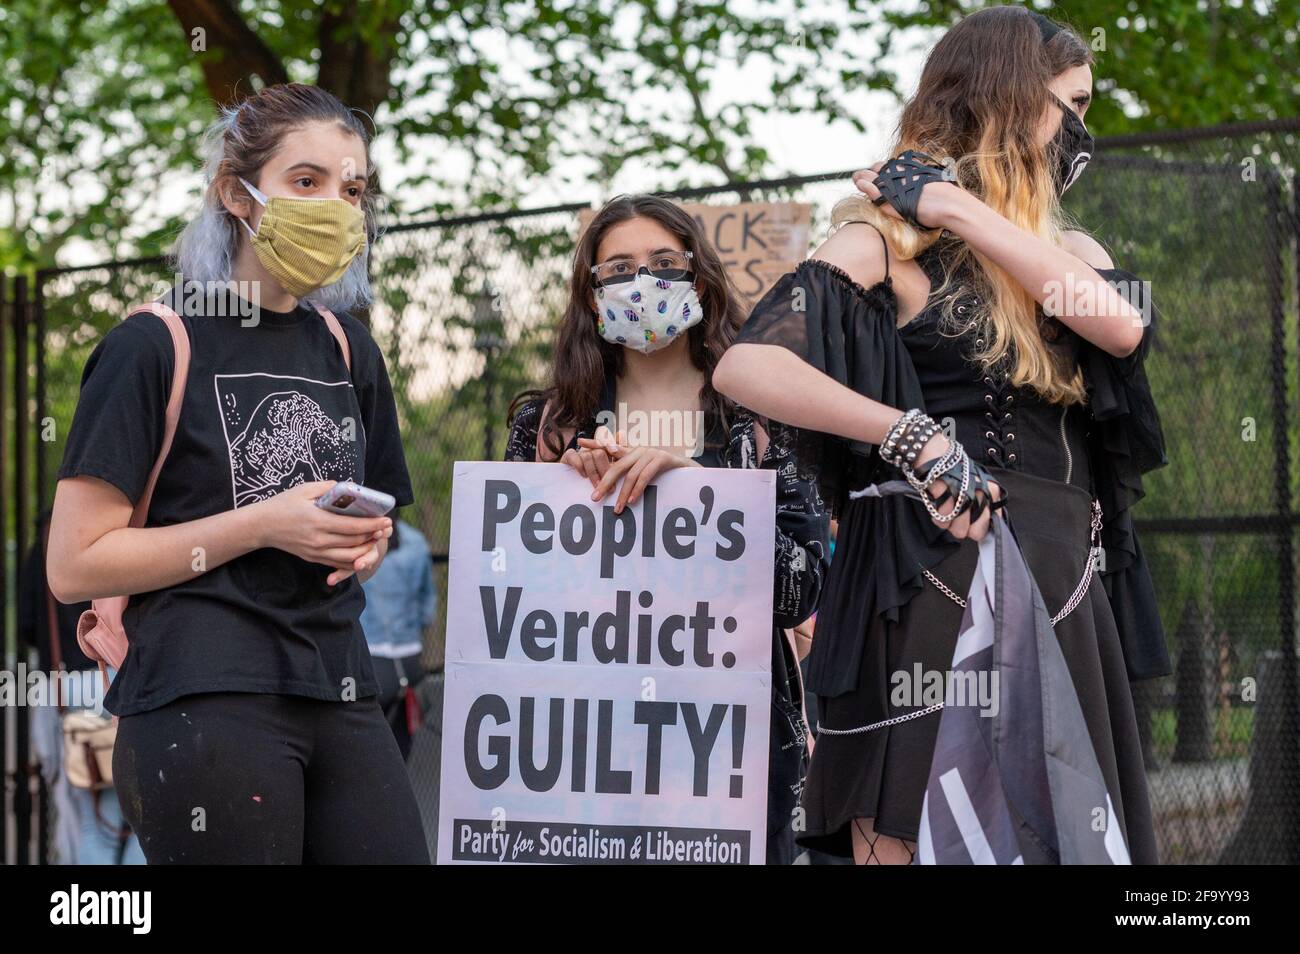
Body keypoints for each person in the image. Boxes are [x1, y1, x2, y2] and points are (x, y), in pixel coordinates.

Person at [713, 7, 1167, 864]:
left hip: (1064, 579)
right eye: (1072, 105)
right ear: (1011, 100)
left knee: (1065, 829)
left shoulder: (1072, 256)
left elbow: (1120, 330)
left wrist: (957, 205)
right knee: (910, 824)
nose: (1082, 131)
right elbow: (747, 369)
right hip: (928, 576)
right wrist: (908, 434)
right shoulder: (883, 248)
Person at [46, 83, 429, 864]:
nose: (336, 205)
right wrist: (262, 522)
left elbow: (369, 533)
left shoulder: (350, 350)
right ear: (237, 193)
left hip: (343, 689)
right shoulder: (153, 346)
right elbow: (73, 564)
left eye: (352, 189)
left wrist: (362, 540)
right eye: (307, 182)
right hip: (203, 696)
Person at [504, 194, 830, 864]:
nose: (641, 282)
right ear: (592, 297)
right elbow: (510, 594)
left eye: (663, 264)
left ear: (699, 283)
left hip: (727, 750)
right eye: (617, 269)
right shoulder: (547, 427)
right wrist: (561, 495)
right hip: (585, 751)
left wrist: (693, 489)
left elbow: (800, 591)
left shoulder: (759, 421)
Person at [20, 511, 146, 865]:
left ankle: (97, 913)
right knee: (142, 820)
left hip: (69, 686)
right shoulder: (129, 534)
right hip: (125, 678)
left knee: (93, 827)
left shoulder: (47, 542)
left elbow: (28, 623)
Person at [359, 515, 436, 760]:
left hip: (370, 657)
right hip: (409, 659)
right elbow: (428, 609)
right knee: (401, 744)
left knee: (363, 743)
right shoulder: (416, 541)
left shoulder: (359, 538)